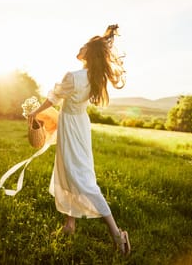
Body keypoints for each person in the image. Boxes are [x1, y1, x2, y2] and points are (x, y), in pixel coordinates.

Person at [28, 25, 131, 255]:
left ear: (89, 53)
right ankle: (69, 224)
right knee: (69, 171)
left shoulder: (73, 76)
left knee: (82, 179)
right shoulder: (94, 77)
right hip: (80, 126)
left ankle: (117, 234)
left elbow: (53, 98)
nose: (80, 46)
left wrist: (35, 112)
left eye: (85, 45)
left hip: (72, 127)